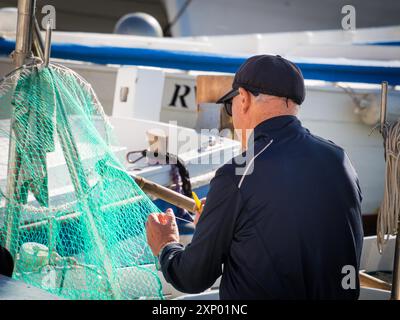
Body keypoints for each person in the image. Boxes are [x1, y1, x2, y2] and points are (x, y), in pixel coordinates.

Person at [146, 54, 364, 300]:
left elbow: (191, 277)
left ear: (244, 99)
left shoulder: (238, 173)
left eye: (231, 106)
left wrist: (167, 245)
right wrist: (220, 224)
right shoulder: (338, 159)